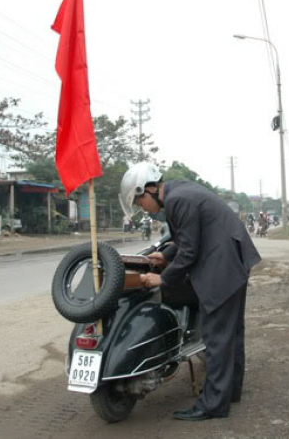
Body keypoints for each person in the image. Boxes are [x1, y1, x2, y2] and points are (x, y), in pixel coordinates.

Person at [119, 162, 261, 421]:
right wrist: (163, 255)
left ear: (148, 190)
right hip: (232, 260)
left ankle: (213, 404)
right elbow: (186, 238)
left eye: (140, 203)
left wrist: (162, 280)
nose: (143, 209)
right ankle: (229, 392)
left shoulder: (178, 200)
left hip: (222, 265)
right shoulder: (180, 191)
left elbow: (189, 252)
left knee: (216, 336)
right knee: (231, 332)